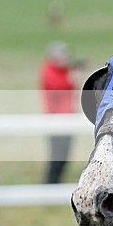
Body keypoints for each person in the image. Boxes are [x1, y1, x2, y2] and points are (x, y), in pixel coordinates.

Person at [40, 42, 77, 184]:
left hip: (67, 118)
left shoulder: (64, 71)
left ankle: (56, 183)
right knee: (56, 156)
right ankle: (50, 184)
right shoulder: (48, 70)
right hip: (55, 119)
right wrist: (72, 79)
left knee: (64, 156)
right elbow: (58, 87)